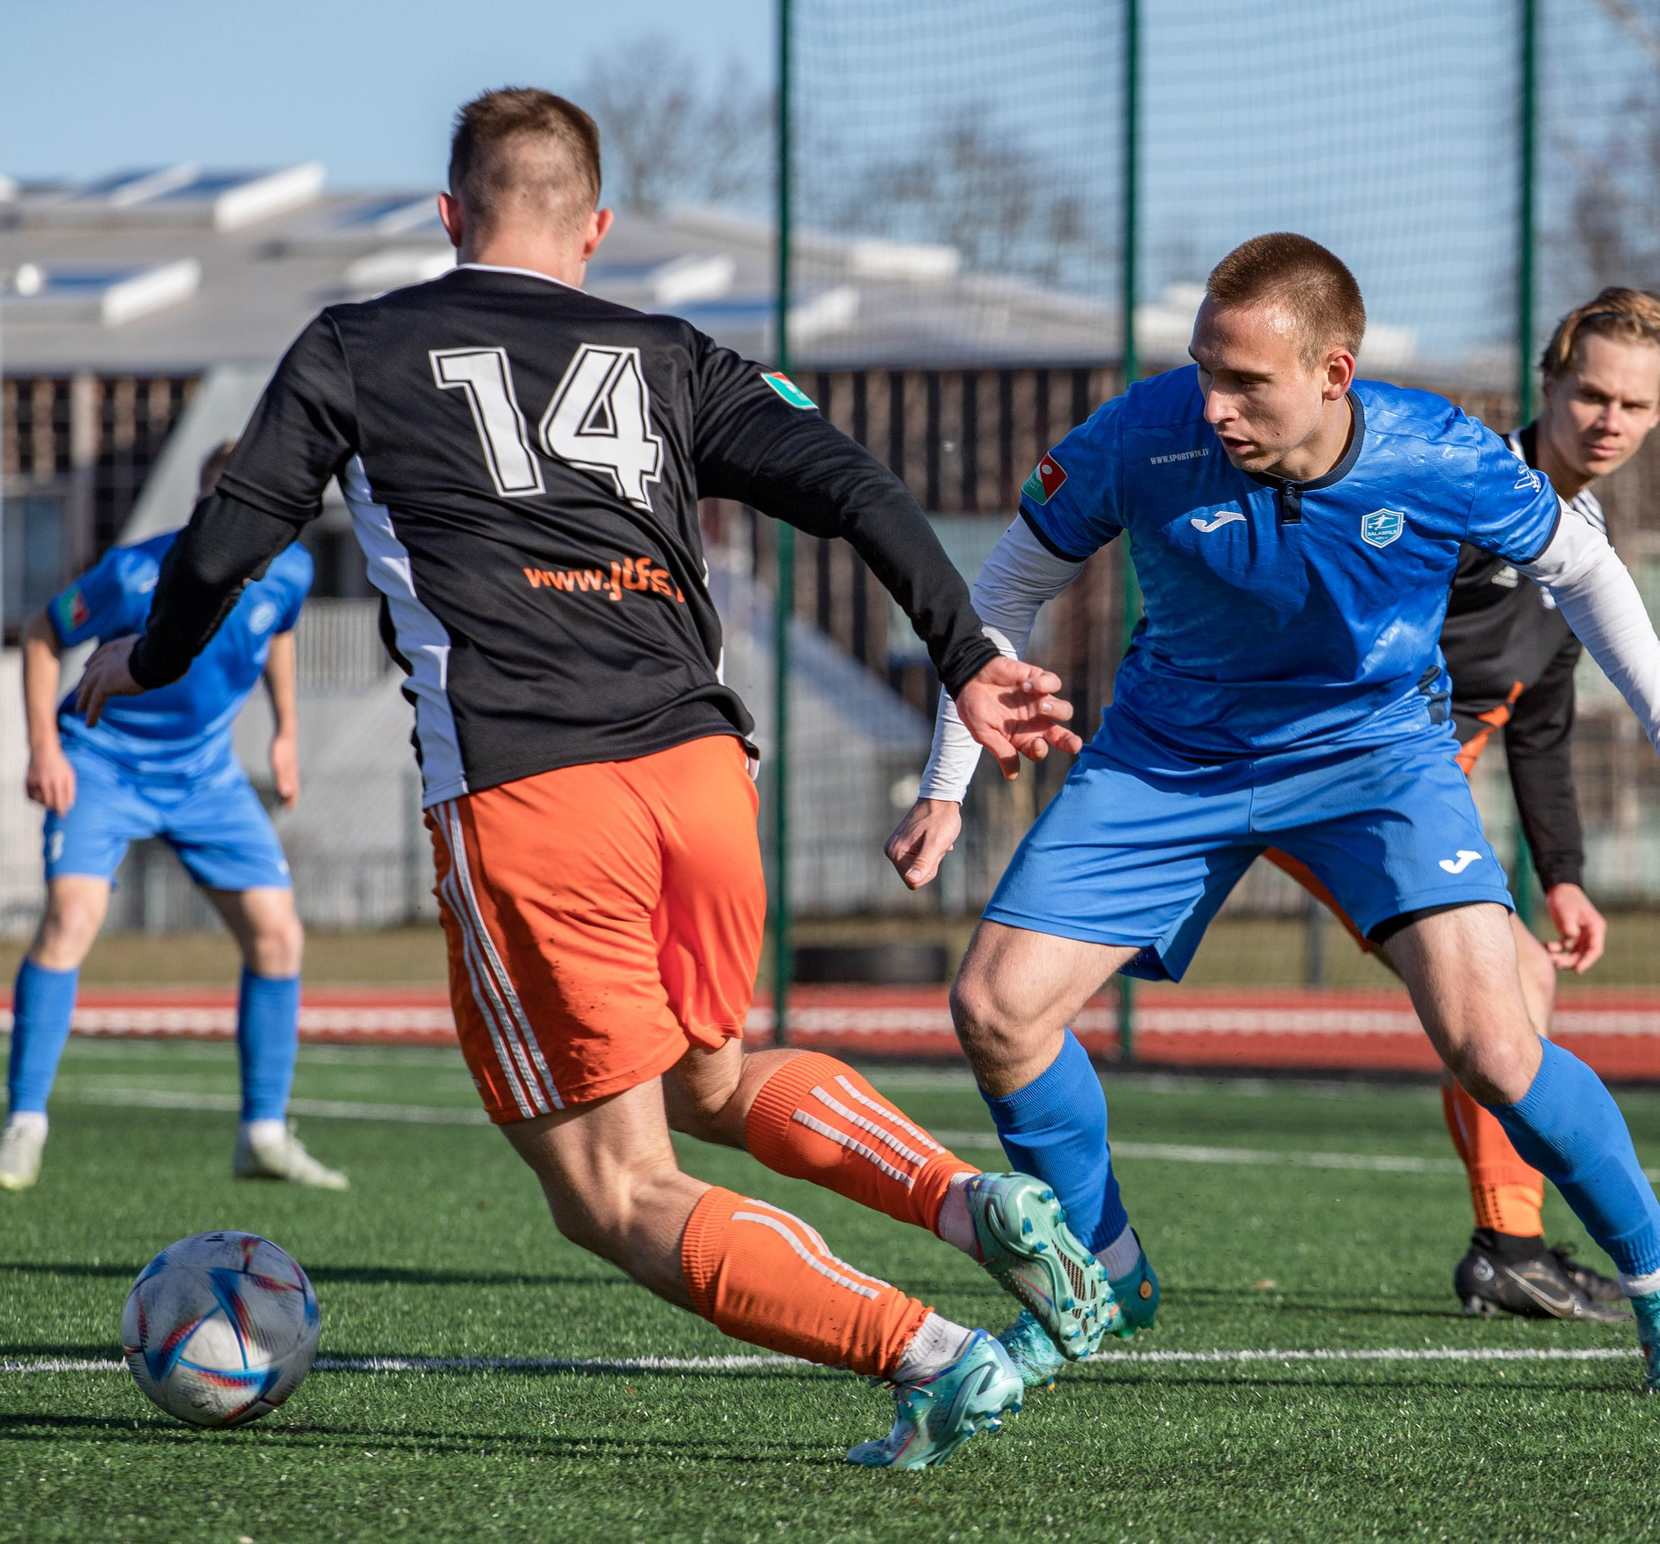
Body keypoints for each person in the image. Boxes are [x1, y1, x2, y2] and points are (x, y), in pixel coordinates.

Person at [71, 87, 1112, 1469]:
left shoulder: (357, 345)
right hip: (699, 779)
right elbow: (858, 484)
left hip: (532, 795)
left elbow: (224, 539)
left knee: (615, 1190)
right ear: (598, 226)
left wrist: (144, 663)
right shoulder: (669, 353)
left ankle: (931, 1351)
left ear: (450, 217)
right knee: (712, 1076)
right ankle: (976, 1203)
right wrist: (966, 652)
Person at [886, 233, 1660, 1397]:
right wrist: (946, 779)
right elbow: (1002, 590)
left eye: (1245, 380)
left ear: (1333, 375)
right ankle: (1104, 1273)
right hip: (1169, 755)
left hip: (1375, 760)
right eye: (1204, 367)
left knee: (1496, 1046)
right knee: (995, 1008)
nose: (1213, 402)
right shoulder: (1141, 435)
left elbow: (1585, 569)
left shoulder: (1439, 451)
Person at [1259, 289, 1660, 1324]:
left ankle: (1509, 1245)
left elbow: (1537, 721)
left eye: (1634, 406)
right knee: (1037, 986)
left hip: (1397, 793)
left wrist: (1564, 876)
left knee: (1520, 985)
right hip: (1316, 768)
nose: (1608, 419)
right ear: (1547, 385)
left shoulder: (1576, 548)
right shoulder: (1451, 486)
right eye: (1590, 392)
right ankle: (1509, 1247)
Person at [0, 440, 347, 1192]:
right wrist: (44, 747)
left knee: (278, 933)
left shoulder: (292, 570)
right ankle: (24, 1124)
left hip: (205, 773)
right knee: (72, 917)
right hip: (103, 760)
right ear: (203, 504)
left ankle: (264, 1133)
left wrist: (285, 731)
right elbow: (45, 634)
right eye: (232, 501)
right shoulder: (136, 572)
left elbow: (276, 633)